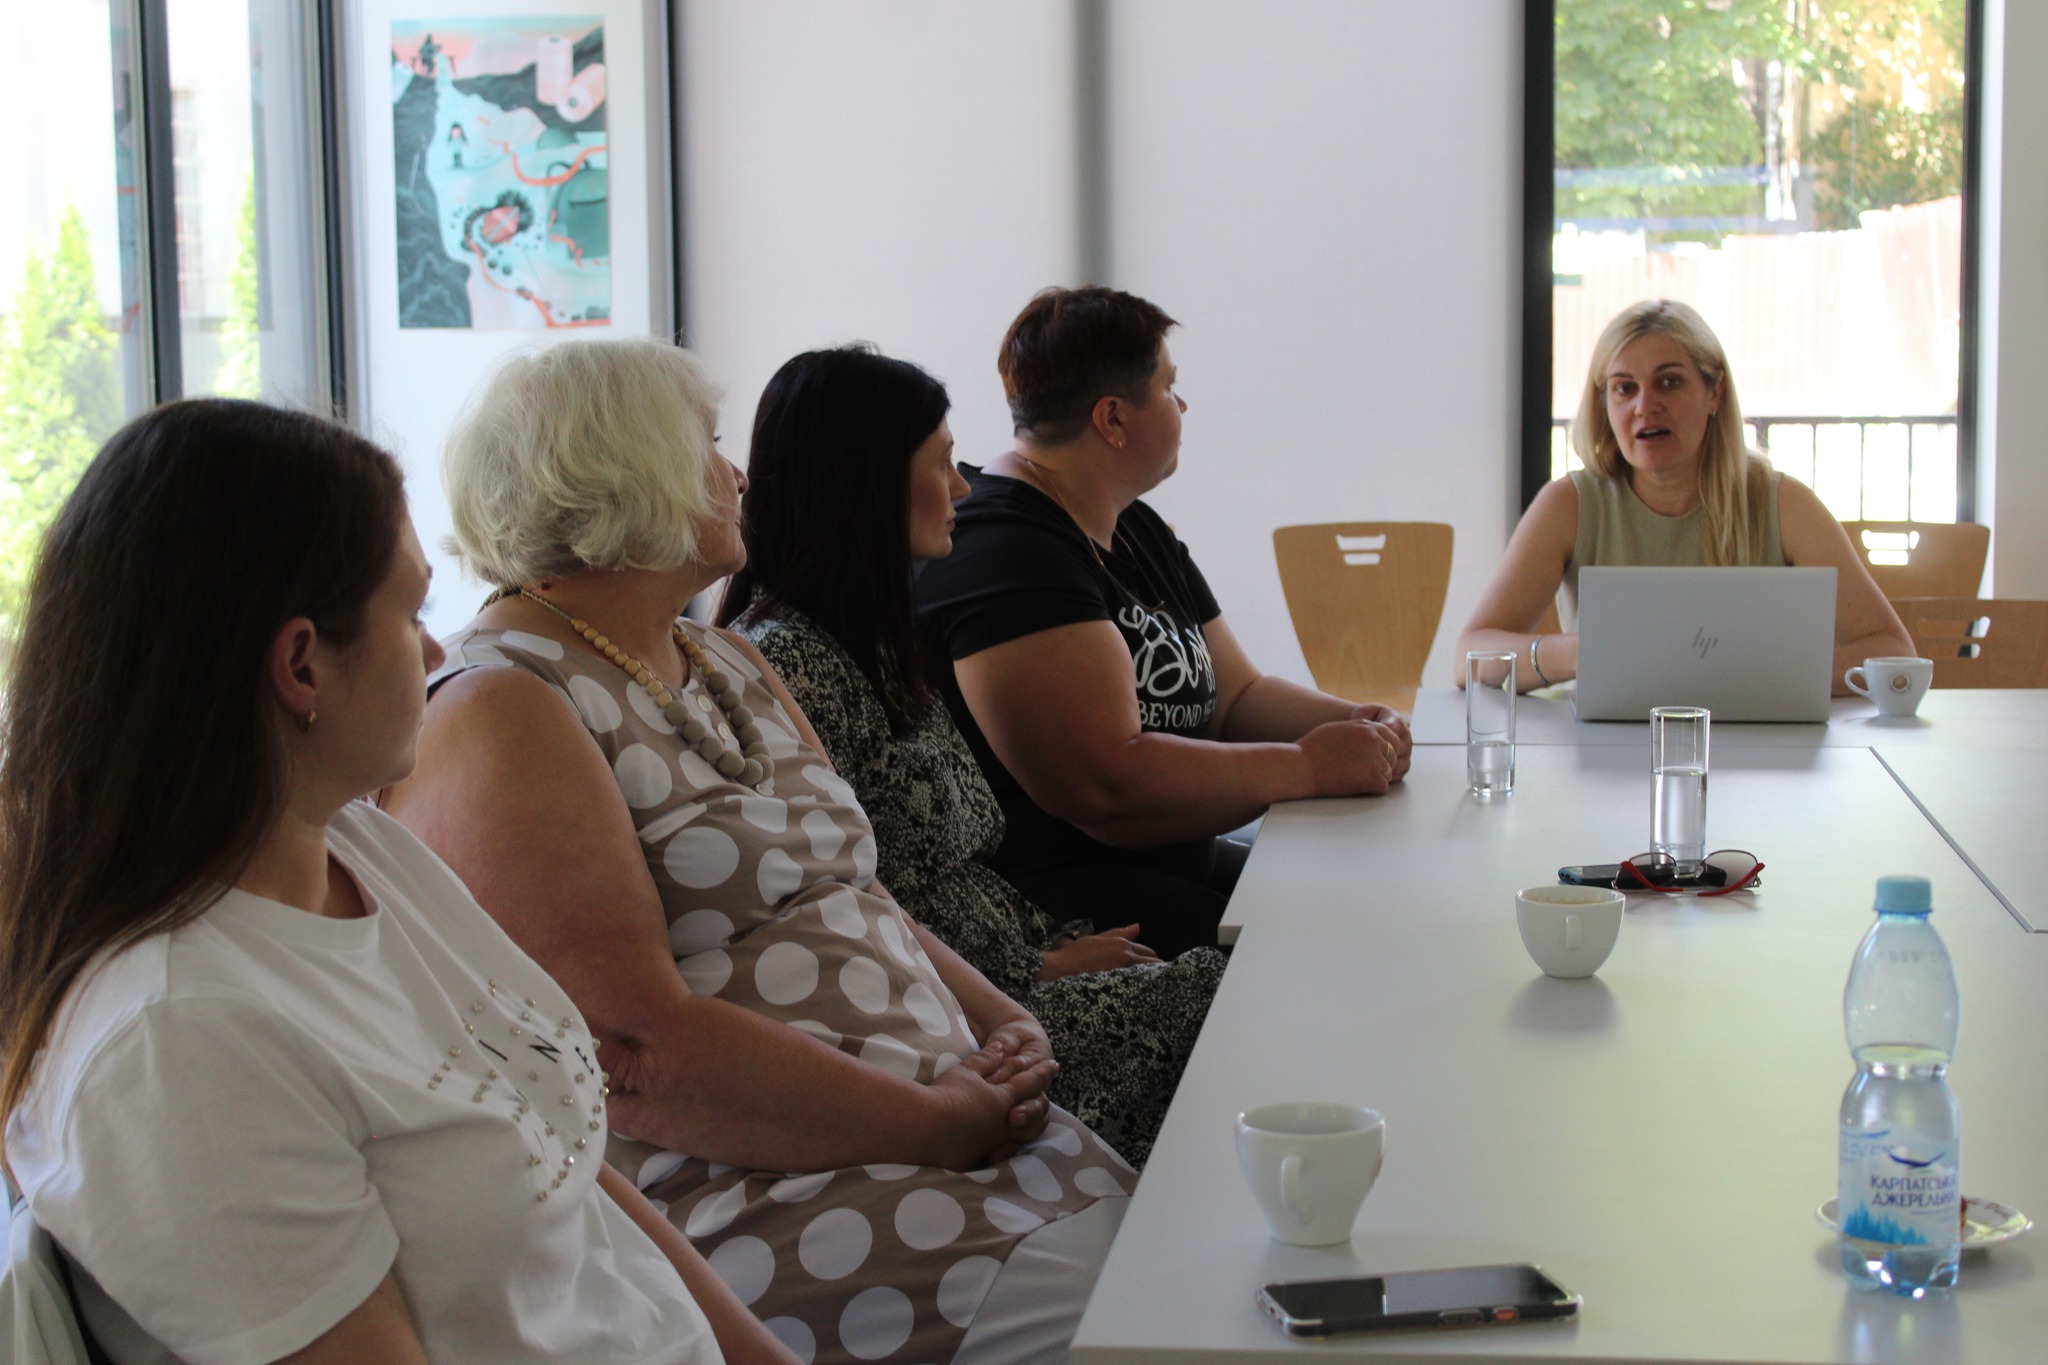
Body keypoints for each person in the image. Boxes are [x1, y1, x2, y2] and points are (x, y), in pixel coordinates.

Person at [383, 338, 1134, 1365]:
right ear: (622, 469)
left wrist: (1004, 1020)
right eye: (706, 445)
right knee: (1147, 1322)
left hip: (942, 1126)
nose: (737, 474)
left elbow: (852, 890)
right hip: (771, 1190)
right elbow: (631, 1057)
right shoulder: (503, 700)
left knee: (1194, 1274)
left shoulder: (724, 656)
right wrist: (933, 1123)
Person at [0, 399, 793, 1365]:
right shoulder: (181, 1044)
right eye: (413, 612)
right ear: (302, 665)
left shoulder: (357, 845)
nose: (435, 650)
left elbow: (572, 1170)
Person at [719, 345, 1226, 1169]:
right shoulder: (789, 663)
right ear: (871, 483)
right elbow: (845, 897)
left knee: (1240, 968)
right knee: (1228, 996)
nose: (963, 487)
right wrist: (1031, 968)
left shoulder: (874, 643)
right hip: (951, 1014)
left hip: (1009, 965)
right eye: (943, 462)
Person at [915, 287, 1413, 957]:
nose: (1183, 406)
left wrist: (1359, 723)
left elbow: (1236, 697)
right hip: (1060, 909)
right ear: (1114, 418)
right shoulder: (1006, 550)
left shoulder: (1133, 525)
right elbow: (1108, 786)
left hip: (1166, 866)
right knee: (1321, 948)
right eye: (1169, 388)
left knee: (1368, 904)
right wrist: (1309, 766)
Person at [1455, 299, 1912, 693]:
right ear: (1604, 404)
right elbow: (1468, 657)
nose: (1645, 406)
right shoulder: (1569, 504)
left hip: (1757, 750)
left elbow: (1894, 654)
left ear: (1715, 393)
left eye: (1669, 382)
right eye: (1624, 388)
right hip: (1604, 750)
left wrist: (1761, 672)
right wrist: (1581, 654)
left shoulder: (1784, 504)